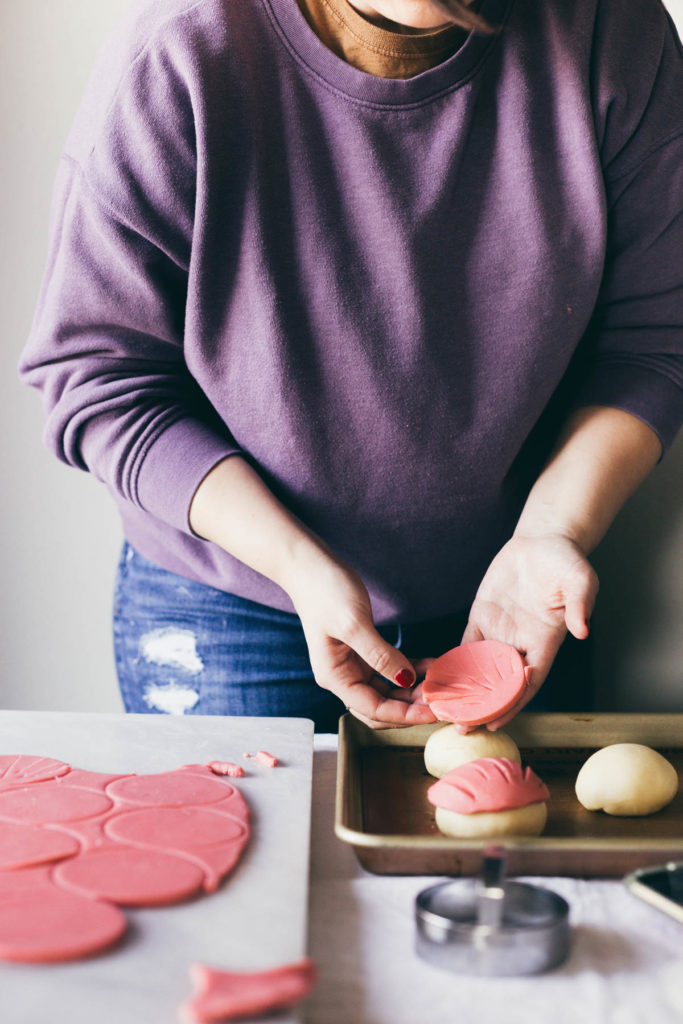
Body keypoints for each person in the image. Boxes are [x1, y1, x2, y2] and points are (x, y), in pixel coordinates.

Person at [20, 0, 683, 731]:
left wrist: (552, 531)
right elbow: (99, 378)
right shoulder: (179, 52)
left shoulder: (612, 28)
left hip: (513, 593)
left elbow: (652, 338)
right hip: (230, 607)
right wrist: (297, 564)